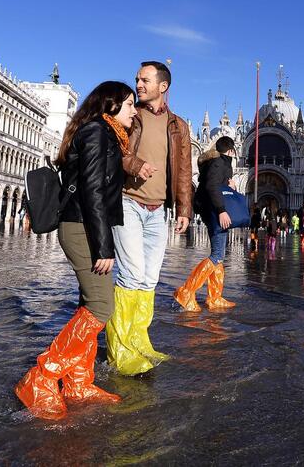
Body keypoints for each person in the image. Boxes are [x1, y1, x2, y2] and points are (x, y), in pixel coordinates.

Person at [14, 81, 136, 420]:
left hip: (85, 224)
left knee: (90, 301)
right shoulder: (98, 132)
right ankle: (42, 377)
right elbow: (93, 191)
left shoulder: (99, 133)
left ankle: (79, 382)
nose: (134, 110)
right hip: (82, 226)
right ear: (110, 105)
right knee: (101, 305)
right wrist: (103, 245)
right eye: (129, 104)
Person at [106, 61, 193, 376]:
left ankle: (139, 340)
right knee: (130, 275)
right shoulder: (130, 114)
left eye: (144, 80)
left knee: (149, 278)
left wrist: (184, 209)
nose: (138, 84)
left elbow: (183, 169)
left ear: (163, 86)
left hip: (159, 210)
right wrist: (134, 165)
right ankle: (120, 350)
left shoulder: (178, 125)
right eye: (137, 79)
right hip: (128, 202)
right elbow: (113, 149)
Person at [174, 136, 238, 311]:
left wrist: (229, 184)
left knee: (219, 256)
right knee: (217, 255)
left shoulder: (216, 162)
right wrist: (221, 210)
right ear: (231, 150)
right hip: (215, 212)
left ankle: (214, 297)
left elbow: (216, 185)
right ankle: (186, 292)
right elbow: (211, 186)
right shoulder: (219, 163)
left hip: (212, 211)